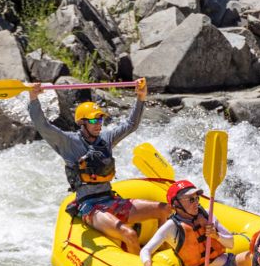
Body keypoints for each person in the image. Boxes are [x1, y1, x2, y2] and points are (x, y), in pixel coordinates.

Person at [28, 79, 171, 254]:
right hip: (90, 207)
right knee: (129, 234)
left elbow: (130, 125)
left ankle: (164, 250)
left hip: (111, 200)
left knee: (164, 209)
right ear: (82, 123)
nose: (99, 123)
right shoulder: (68, 143)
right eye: (94, 120)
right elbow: (43, 126)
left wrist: (141, 98)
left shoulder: (106, 140)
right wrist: (34, 98)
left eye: (101, 118)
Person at [139, 180, 250, 266]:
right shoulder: (171, 227)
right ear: (175, 204)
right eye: (191, 199)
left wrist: (216, 235)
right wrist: (147, 264)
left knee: (254, 257)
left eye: (197, 198)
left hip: (230, 263)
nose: (196, 202)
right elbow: (146, 250)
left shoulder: (207, 215)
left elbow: (231, 244)